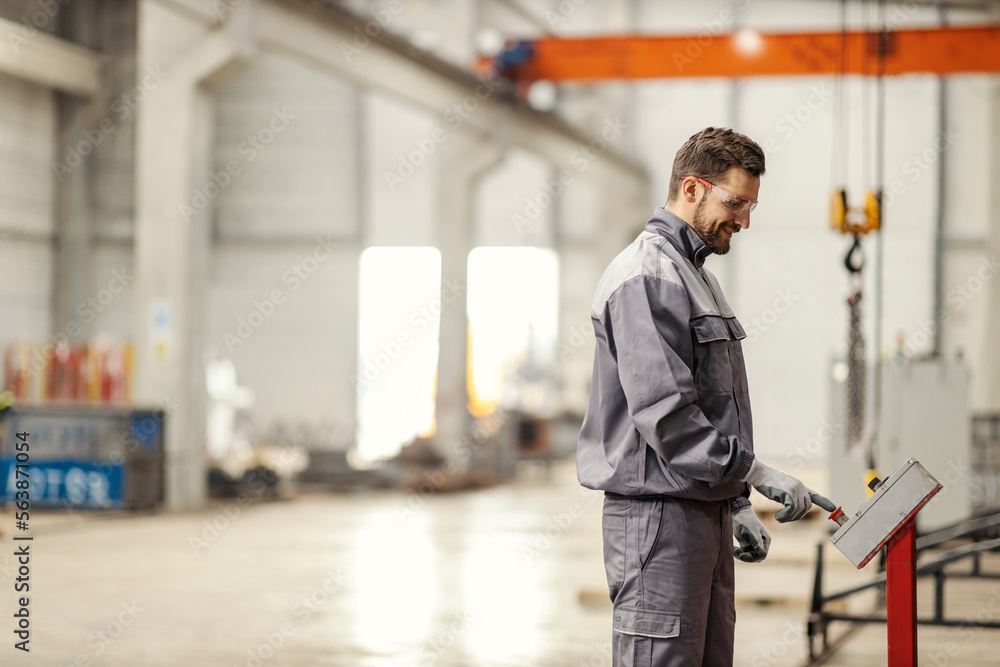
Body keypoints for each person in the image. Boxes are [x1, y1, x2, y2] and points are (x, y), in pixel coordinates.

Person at [576, 127, 835, 666]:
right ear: (692, 188)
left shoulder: (694, 277)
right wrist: (757, 475)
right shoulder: (649, 275)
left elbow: (714, 403)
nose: (744, 219)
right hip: (658, 520)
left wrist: (735, 502)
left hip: (701, 511)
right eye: (736, 202)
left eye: (750, 206)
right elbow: (668, 417)